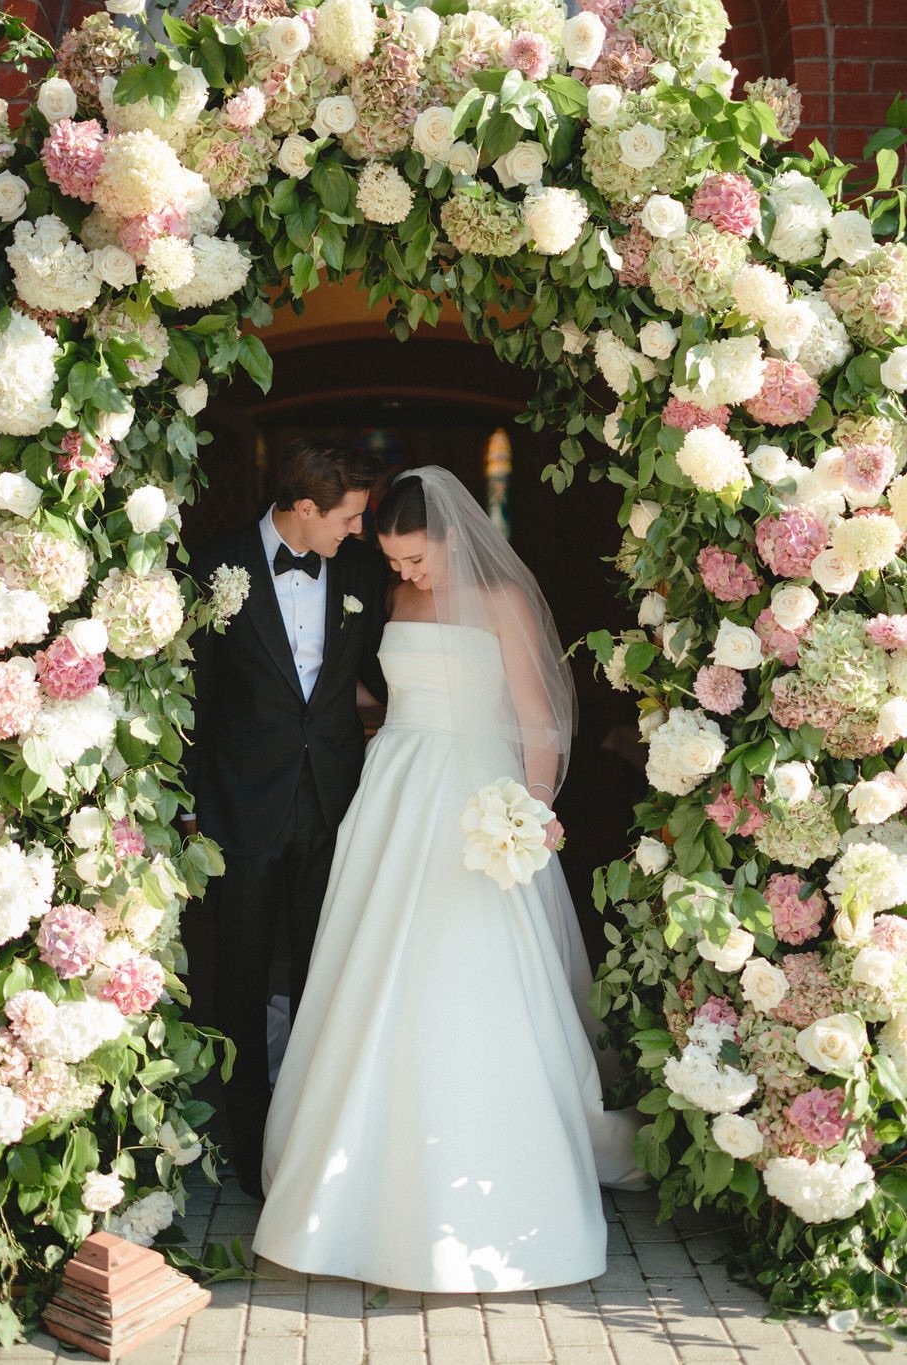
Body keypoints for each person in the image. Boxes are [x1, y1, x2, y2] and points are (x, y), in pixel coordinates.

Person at [252, 466, 642, 1292]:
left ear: (454, 538)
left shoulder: (500, 603)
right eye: (396, 562)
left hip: (477, 791)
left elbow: (538, 718)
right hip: (397, 790)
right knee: (374, 961)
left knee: (471, 966)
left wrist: (530, 810)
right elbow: (385, 694)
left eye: (417, 560)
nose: (406, 574)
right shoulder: (391, 600)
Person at [183, 441, 388, 1200]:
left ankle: (313, 1138)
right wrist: (193, 809)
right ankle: (248, 1145)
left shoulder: (361, 572)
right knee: (237, 980)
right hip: (239, 808)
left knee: (323, 975)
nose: (357, 532)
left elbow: (377, 678)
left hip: (334, 805)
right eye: (350, 517)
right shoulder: (214, 565)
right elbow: (192, 700)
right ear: (305, 509)